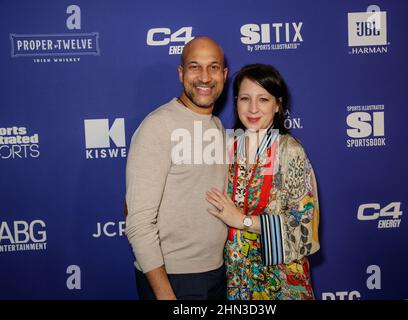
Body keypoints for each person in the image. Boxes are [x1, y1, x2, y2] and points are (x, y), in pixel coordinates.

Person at [125, 37, 229, 300]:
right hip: (173, 280)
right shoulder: (158, 126)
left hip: (216, 274)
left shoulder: (217, 126)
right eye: (195, 67)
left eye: (213, 67)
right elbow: (138, 222)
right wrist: (165, 294)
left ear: (224, 75)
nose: (205, 77)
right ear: (181, 73)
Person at [205, 64, 320, 300]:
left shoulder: (290, 151)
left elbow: (304, 227)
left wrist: (241, 220)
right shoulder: (225, 147)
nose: (253, 108)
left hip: (280, 280)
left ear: (278, 105)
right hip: (233, 279)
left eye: (263, 99)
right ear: (236, 102)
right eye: (245, 98)